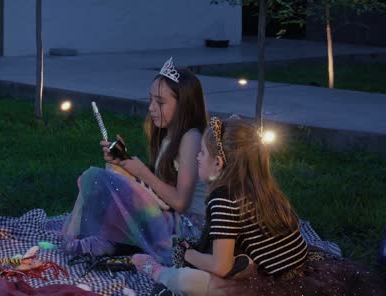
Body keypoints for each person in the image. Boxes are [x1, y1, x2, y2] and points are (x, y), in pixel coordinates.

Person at [132, 117, 385, 295]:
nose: (197, 157)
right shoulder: (262, 188)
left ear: (218, 163)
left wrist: (188, 253)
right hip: (302, 269)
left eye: (201, 153)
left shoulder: (223, 200)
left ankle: (156, 272)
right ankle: (240, 267)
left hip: (273, 285)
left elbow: (220, 266)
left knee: (187, 278)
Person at [62, 58, 208, 264]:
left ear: (184, 105)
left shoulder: (191, 138)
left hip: (189, 229)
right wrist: (125, 164)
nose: (151, 108)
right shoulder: (169, 136)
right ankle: (110, 240)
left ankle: (108, 241)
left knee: (96, 177)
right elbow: (162, 189)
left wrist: (141, 173)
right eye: (150, 100)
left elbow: (181, 203)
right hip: (170, 217)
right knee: (106, 180)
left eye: (160, 102)